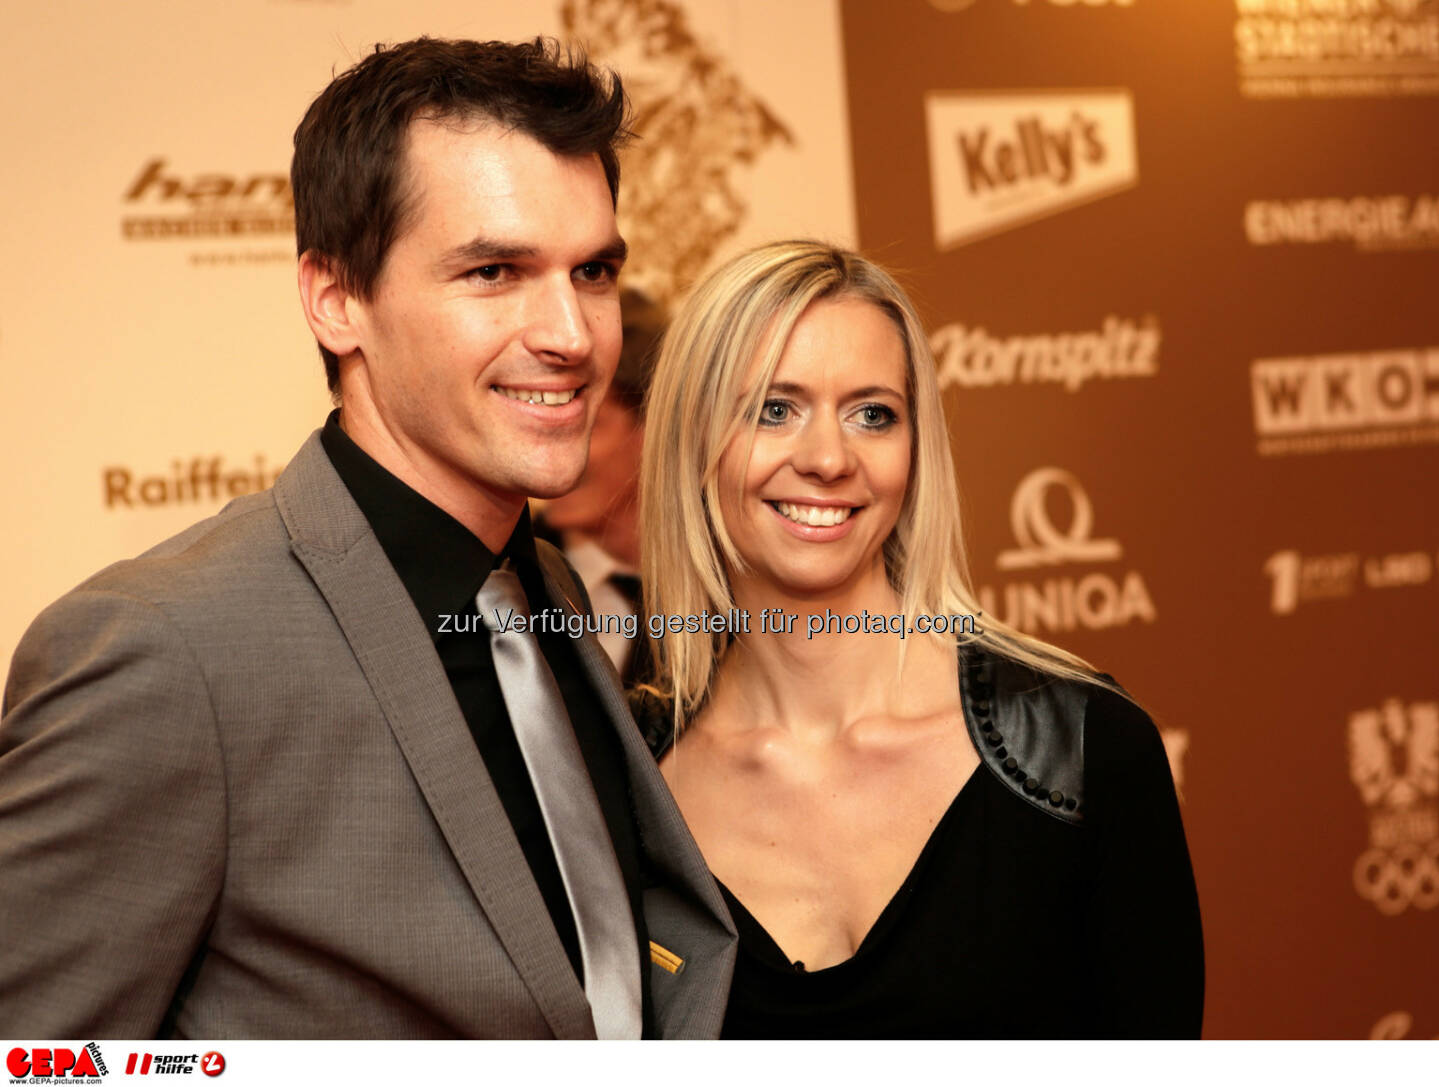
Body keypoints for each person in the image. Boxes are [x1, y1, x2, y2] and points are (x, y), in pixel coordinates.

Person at [0, 37, 733, 1039]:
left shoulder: (544, 587)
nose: (571, 331)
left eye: (594, 270)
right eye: (494, 271)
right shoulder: (166, 655)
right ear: (338, 299)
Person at [631, 240, 1203, 1038]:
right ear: (691, 442)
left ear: (915, 447)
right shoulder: (620, 784)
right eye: (773, 408)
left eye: (873, 414)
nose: (829, 458)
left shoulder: (1084, 751)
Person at [535, 287, 666, 687]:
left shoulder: (734, 579)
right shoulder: (505, 579)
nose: (551, 453)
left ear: (654, 429)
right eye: (541, 413)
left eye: (587, 424)